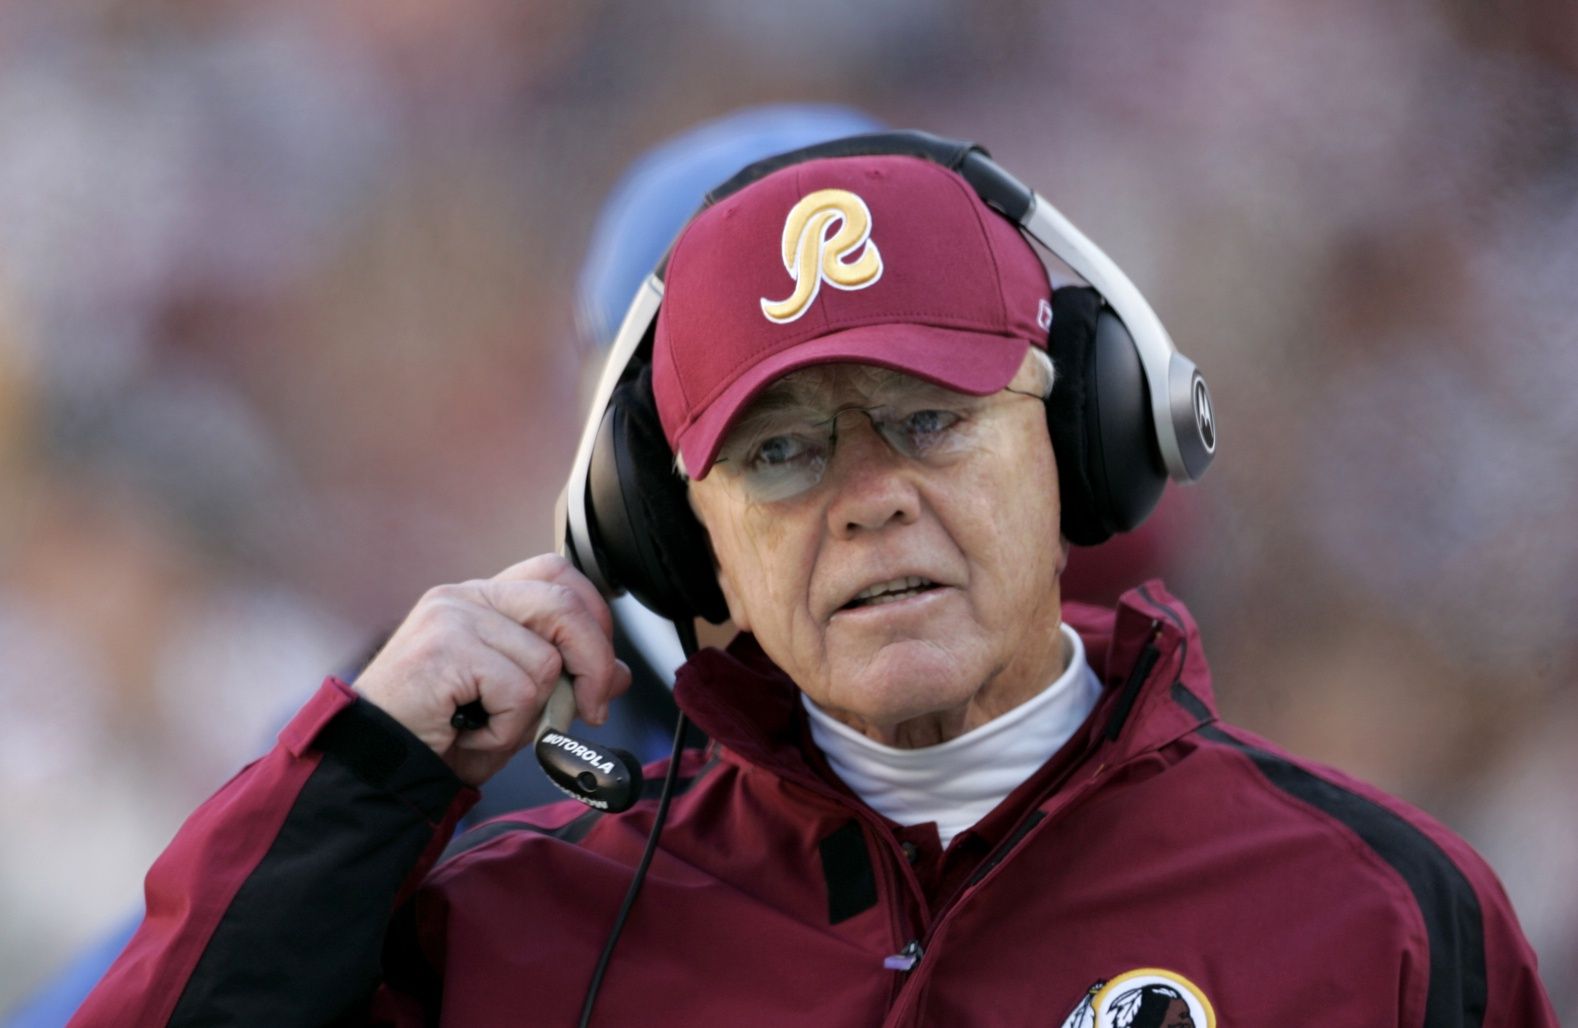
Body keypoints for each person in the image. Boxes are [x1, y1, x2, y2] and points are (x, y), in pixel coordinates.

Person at [72, 133, 1556, 1026]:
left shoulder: (1370, 907)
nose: (870, 502)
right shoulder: (514, 934)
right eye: (780, 454)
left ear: (1084, 443)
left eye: (931, 421)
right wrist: (360, 780)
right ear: (674, 537)